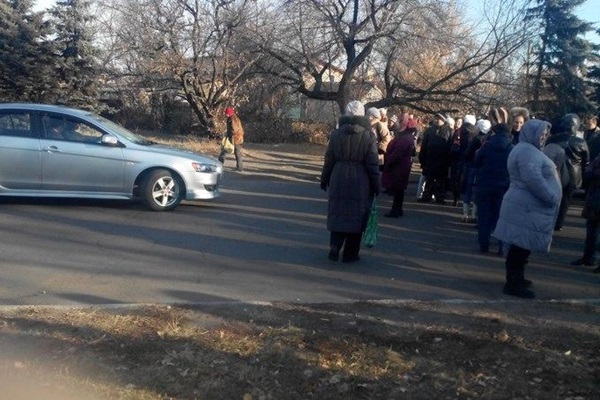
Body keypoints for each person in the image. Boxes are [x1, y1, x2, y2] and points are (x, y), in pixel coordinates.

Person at [493, 119, 561, 298]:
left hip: (525, 205)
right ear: (532, 132)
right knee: (519, 246)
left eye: (546, 134)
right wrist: (551, 197)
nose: (544, 137)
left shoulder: (526, 149)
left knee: (521, 245)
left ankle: (517, 278)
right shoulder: (528, 152)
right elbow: (533, 179)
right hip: (526, 206)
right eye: (542, 133)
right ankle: (513, 283)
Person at [320, 101, 380, 263]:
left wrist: (324, 178)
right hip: (360, 179)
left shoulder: (336, 134)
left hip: (338, 175)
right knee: (357, 215)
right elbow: (372, 163)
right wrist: (376, 185)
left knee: (338, 213)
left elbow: (329, 159)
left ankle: (334, 246)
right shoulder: (368, 136)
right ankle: (350, 253)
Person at [474, 108, 513, 254]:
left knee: (483, 216)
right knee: (500, 217)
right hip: (503, 185)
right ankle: (502, 246)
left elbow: (477, 161)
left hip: (484, 183)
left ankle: (484, 244)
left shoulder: (487, 145)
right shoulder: (511, 148)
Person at [544, 113, 589, 231]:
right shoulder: (581, 142)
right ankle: (559, 223)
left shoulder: (553, 139)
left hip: (556, 171)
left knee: (552, 197)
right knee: (566, 200)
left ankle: (550, 220)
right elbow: (586, 161)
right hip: (574, 175)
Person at [381, 118, 417, 218]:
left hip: (399, 167)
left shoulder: (405, 138)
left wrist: (389, 162)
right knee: (399, 190)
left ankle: (395, 210)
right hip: (401, 165)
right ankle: (398, 209)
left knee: (397, 189)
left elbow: (397, 153)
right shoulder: (407, 137)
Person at [571, 154, 600, 271]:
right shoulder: (598, 159)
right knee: (591, 230)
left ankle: (590, 258)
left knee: (593, 231)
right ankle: (588, 257)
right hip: (594, 197)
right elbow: (587, 173)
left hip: (595, 196)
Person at [461, 119, 491, 222]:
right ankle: (474, 214)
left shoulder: (476, 139)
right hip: (483, 169)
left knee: (468, 190)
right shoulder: (489, 140)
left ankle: (465, 214)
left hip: (472, 167)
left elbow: (467, 153)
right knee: (477, 192)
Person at [418, 113, 451, 204]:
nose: (437, 120)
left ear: (443, 120)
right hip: (430, 159)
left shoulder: (448, 130)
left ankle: (440, 198)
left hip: (442, 160)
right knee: (429, 179)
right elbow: (424, 145)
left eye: (439, 119)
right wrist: (422, 158)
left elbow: (450, 146)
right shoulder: (429, 130)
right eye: (435, 118)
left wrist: (448, 160)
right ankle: (426, 196)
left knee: (440, 181)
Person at [218, 107, 245, 171]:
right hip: (238, 138)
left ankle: (219, 164)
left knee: (224, 150)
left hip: (234, 138)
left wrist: (229, 136)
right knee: (237, 153)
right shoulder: (234, 118)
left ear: (229, 113)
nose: (225, 114)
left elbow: (234, 130)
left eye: (226, 113)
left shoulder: (232, 119)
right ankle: (240, 167)